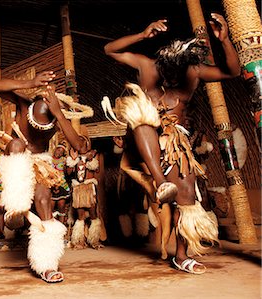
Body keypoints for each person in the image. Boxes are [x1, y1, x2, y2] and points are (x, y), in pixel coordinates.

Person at [103, 13, 240, 274]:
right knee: (143, 119)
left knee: (187, 195)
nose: (174, 80)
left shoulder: (194, 72)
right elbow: (109, 49)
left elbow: (232, 71)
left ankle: (181, 255)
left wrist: (224, 41)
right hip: (142, 143)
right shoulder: (147, 66)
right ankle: (160, 181)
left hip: (175, 145)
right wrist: (142, 35)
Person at [0, 71, 92, 283]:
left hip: (42, 161)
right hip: (16, 156)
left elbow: (80, 147)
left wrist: (59, 114)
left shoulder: (58, 115)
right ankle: (15, 208)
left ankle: (46, 264)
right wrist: (29, 82)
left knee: (44, 201)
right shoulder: (24, 102)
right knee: (17, 144)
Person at [66, 135, 103, 249]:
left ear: (87, 143)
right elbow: (68, 172)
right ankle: (78, 241)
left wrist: (90, 159)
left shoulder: (93, 154)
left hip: (88, 187)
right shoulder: (73, 156)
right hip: (78, 188)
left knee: (93, 214)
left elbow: (97, 169)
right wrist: (73, 159)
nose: (81, 143)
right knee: (80, 216)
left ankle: (94, 241)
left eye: (83, 141)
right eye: (78, 141)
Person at [50, 142, 70, 224]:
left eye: (62, 152)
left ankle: (61, 227)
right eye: (58, 150)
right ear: (55, 149)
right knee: (50, 207)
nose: (59, 152)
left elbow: (68, 173)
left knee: (61, 206)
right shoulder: (48, 159)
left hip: (62, 184)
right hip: (50, 184)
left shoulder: (64, 161)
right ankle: (51, 227)